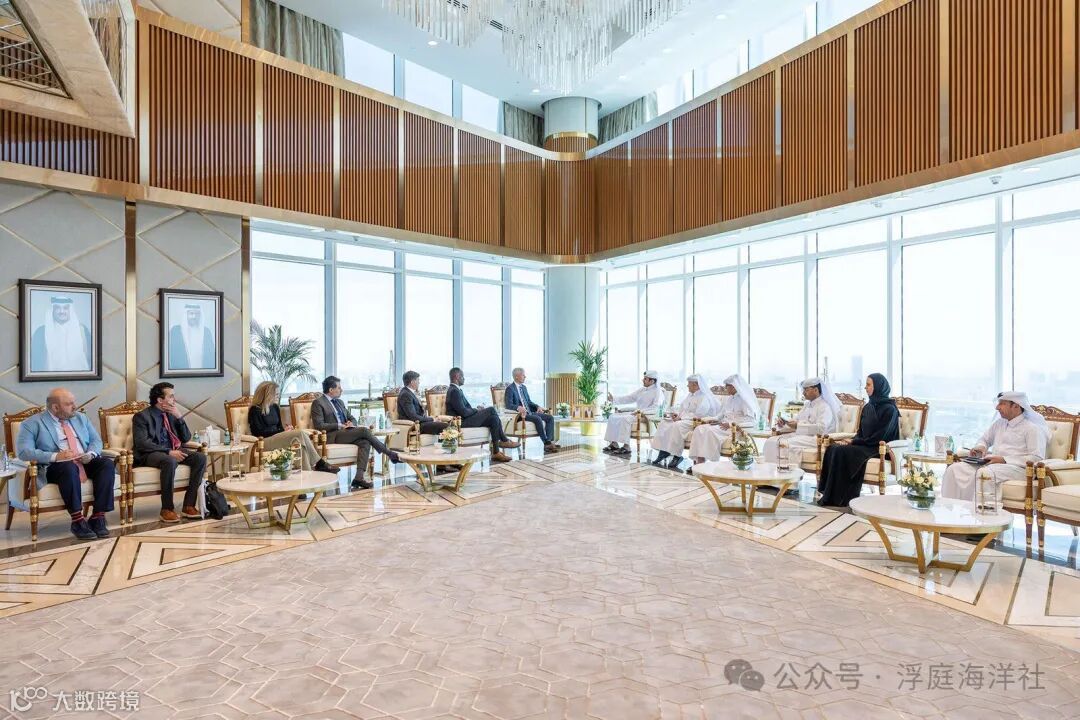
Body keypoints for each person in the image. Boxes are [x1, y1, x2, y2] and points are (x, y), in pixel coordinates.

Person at [16, 388, 116, 539]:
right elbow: (24, 452)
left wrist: (90, 454)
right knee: (68, 467)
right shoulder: (31, 423)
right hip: (55, 466)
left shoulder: (81, 418)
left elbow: (96, 440)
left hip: (83, 460)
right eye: (69, 404)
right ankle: (77, 520)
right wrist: (57, 456)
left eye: (73, 402)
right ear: (55, 407)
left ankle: (98, 517)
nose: (75, 406)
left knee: (106, 464)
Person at [940, 391, 1049, 502]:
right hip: (992, 465)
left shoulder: (1032, 429)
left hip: (1019, 469)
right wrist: (981, 447)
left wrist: (1003, 459)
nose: (997, 407)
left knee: (984, 473)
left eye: (1002, 403)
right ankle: (952, 508)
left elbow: (1036, 458)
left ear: (1016, 406)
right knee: (954, 469)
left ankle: (982, 511)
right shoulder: (999, 423)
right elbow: (984, 440)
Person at [817, 373, 900, 507]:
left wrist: (854, 442)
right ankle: (830, 495)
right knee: (833, 448)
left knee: (843, 452)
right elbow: (860, 432)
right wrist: (851, 440)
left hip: (878, 448)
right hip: (864, 445)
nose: (865, 388)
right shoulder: (867, 407)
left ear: (878, 386)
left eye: (868, 385)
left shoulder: (890, 409)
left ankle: (842, 497)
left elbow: (881, 436)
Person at [133, 382, 208, 523]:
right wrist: (168, 452)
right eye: (171, 396)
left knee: (200, 458)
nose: (174, 399)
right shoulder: (142, 417)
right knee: (170, 461)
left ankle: (188, 505)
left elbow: (186, 438)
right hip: (150, 453)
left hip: (173, 450)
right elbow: (142, 443)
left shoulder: (172, 414)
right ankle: (167, 509)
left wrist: (179, 417)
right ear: (160, 400)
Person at [311, 376, 400, 490]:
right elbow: (319, 425)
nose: (341, 390)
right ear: (331, 390)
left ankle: (359, 477)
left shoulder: (339, 402)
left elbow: (352, 418)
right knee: (364, 430)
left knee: (365, 442)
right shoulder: (318, 403)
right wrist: (339, 425)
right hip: (331, 435)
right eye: (339, 388)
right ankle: (389, 453)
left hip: (345, 433)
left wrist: (350, 423)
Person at [248, 381, 336, 473]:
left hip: (276, 438)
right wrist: (280, 432)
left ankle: (307, 473)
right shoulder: (255, 410)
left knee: (299, 442)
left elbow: (279, 427)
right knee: (299, 433)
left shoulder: (275, 407)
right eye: (276, 394)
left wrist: (285, 430)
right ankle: (319, 463)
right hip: (263, 442)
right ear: (267, 395)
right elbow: (258, 432)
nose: (278, 396)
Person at [761, 377, 841, 467]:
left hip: (815, 439)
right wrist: (784, 424)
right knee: (770, 441)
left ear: (816, 390)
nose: (803, 393)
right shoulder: (807, 405)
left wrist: (797, 426)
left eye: (806, 390)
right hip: (800, 435)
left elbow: (821, 428)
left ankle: (787, 471)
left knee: (783, 443)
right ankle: (770, 471)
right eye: (803, 390)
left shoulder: (825, 407)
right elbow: (796, 420)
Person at [651, 374, 721, 470]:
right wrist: (677, 415)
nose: (687, 386)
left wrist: (681, 418)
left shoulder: (704, 397)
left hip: (696, 421)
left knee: (676, 426)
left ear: (696, 385)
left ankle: (677, 456)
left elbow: (699, 414)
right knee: (664, 423)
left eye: (689, 384)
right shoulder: (690, 395)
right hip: (685, 419)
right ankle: (663, 451)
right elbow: (683, 409)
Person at [446, 368, 516, 463]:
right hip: (460, 422)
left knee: (493, 419)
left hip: (465, 419)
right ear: (457, 377)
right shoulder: (454, 391)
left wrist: (476, 409)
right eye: (462, 376)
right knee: (491, 409)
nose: (464, 378)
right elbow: (464, 413)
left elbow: (465, 409)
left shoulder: (456, 390)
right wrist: (477, 410)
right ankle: (504, 440)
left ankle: (496, 452)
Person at [688, 374, 761, 464]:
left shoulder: (744, 400)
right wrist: (713, 419)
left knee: (710, 431)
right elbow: (720, 415)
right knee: (699, 429)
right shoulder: (729, 399)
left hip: (734, 428)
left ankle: (713, 462)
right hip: (723, 426)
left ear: (734, 386)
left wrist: (730, 424)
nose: (725, 388)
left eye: (727, 386)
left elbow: (751, 421)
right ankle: (700, 460)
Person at [602, 371, 663, 455]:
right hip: (636, 413)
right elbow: (629, 398)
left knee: (626, 419)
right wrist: (614, 399)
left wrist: (641, 412)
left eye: (645, 379)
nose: (643, 380)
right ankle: (614, 444)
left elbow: (656, 408)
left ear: (652, 381)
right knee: (613, 416)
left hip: (645, 416)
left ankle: (626, 447)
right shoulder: (642, 389)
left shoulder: (658, 392)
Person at [504, 367, 559, 454]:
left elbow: (528, 402)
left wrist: (537, 407)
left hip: (529, 412)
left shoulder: (524, 387)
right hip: (519, 415)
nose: (525, 377)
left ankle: (549, 442)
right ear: (516, 376)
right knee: (537, 418)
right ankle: (546, 443)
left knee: (550, 418)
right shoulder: (510, 389)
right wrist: (518, 407)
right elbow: (508, 405)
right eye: (523, 375)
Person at [31, 295, 92, 372]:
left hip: (80, 377)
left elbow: (91, 358)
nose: (62, 311)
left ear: (70, 310)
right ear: (53, 310)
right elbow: (35, 361)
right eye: (57, 308)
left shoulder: (82, 331)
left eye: (65, 308)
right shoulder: (41, 332)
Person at [169, 302, 216, 370]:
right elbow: (171, 354)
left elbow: (212, 354)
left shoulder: (206, 331)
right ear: (186, 314)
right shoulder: (175, 331)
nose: (194, 316)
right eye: (191, 313)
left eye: (197, 314)